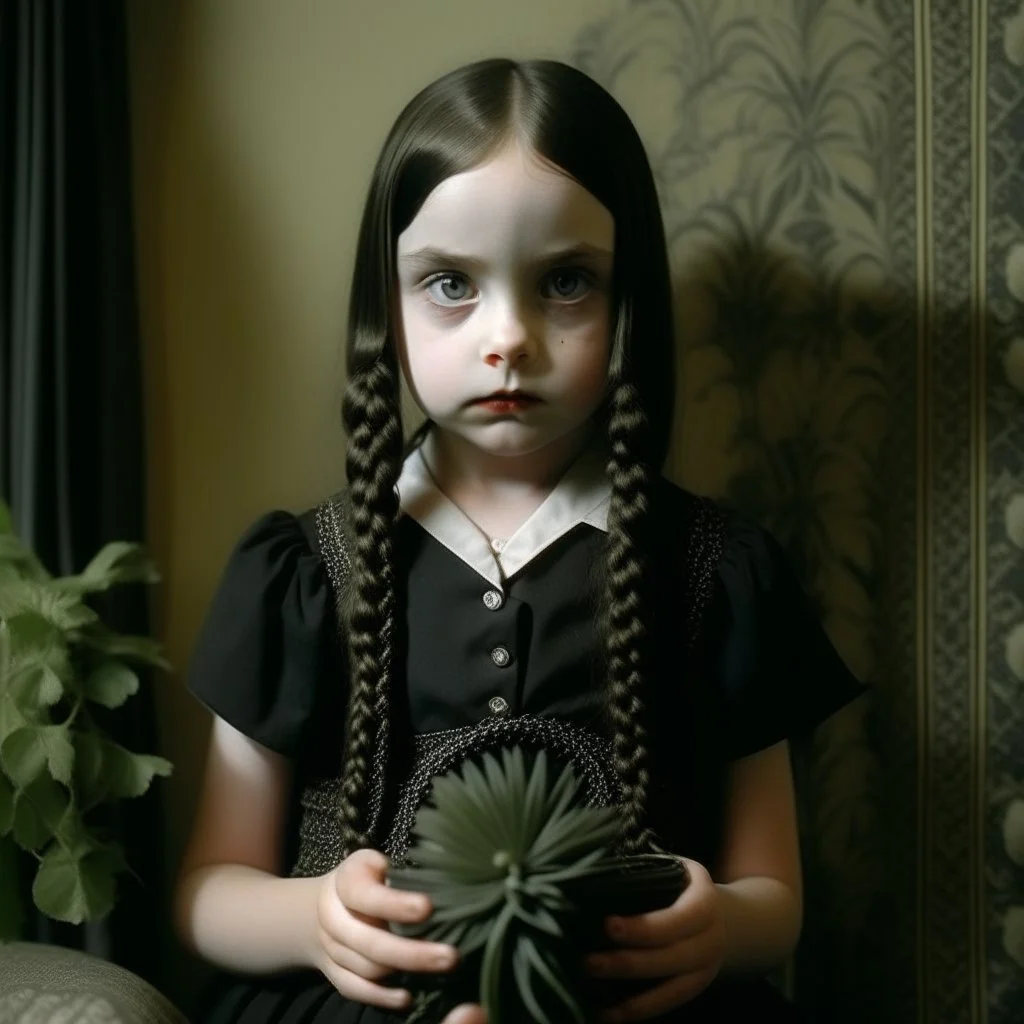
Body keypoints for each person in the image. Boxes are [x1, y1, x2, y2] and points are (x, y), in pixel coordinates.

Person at [174, 58, 866, 1024]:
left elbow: (774, 898)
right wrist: (314, 918)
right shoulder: (303, 573)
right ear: (390, 300)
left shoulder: (716, 570)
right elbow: (209, 891)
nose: (509, 337)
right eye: (451, 283)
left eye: (566, 282)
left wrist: (719, 930)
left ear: (630, 299)